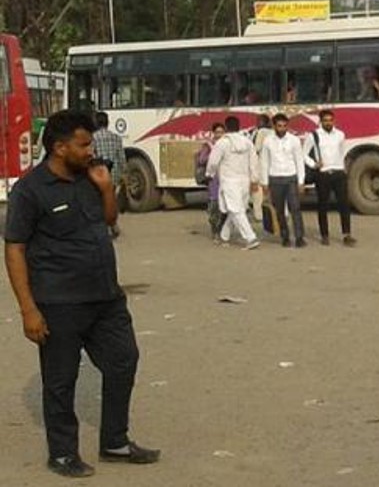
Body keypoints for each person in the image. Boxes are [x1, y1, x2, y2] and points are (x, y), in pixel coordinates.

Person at [4, 110, 160, 477]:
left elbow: (108, 220)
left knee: (124, 360)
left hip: (106, 297)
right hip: (58, 302)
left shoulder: (90, 178)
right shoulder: (30, 190)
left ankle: (115, 442)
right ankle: (61, 453)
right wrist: (28, 309)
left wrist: (106, 189)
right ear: (59, 148)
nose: (91, 150)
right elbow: (14, 249)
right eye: (83, 144)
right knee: (61, 380)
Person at [206, 115, 262, 249]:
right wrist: (254, 179)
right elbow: (254, 162)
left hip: (229, 181)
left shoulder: (222, 143)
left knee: (236, 211)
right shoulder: (247, 142)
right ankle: (224, 236)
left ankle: (250, 238)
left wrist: (209, 174)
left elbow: (213, 162)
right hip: (244, 181)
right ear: (239, 126)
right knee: (236, 210)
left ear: (226, 128)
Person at [259, 113, 308, 248]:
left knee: (295, 208)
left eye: (284, 126)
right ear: (274, 126)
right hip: (275, 179)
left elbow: (299, 161)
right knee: (279, 210)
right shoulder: (268, 141)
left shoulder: (294, 140)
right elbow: (264, 162)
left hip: (291, 177)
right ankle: (285, 236)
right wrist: (264, 182)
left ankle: (299, 237)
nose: (282, 129)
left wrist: (301, 181)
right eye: (279, 126)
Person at [308, 109, 354, 246]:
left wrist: (344, 167)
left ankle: (347, 234)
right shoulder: (314, 136)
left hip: (338, 172)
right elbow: (304, 154)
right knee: (323, 205)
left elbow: (342, 152)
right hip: (323, 173)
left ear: (334, 121)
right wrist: (314, 164)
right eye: (325, 120)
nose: (328, 123)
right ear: (320, 121)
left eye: (330, 120)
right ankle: (324, 235)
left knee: (344, 204)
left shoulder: (340, 135)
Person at [91, 111, 126, 236]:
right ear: (107, 123)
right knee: (112, 199)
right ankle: (113, 224)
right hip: (114, 174)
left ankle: (106, 226)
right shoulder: (116, 137)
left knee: (100, 201)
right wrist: (123, 173)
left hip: (99, 174)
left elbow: (91, 156)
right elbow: (121, 157)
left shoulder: (93, 138)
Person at [195, 122, 226, 241]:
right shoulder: (208, 145)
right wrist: (214, 154)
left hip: (225, 178)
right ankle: (215, 230)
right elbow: (202, 160)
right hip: (213, 180)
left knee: (226, 207)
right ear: (214, 133)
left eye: (222, 132)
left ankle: (222, 230)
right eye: (217, 132)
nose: (219, 135)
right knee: (214, 206)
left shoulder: (227, 144)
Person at [250, 113, 271, 224]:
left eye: (259, 121)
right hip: (271, 166)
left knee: (257, 192)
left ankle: (259, 215)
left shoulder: (261, 132)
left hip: (260, 165)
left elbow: (256, 148)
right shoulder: (272, 132)